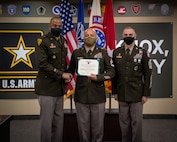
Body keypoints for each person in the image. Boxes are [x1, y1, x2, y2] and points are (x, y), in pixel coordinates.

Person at [68, 28, 115, 142]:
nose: (89, 37)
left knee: (98, 128)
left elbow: (111, 72)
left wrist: (98, 78)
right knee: (82, 128)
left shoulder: (103, 53)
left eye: (91, 35)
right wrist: (68, 76)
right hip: (81, 96)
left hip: (98, 96)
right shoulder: (76, 53)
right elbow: (70, 70)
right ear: (83, 38)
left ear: (96, 38)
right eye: (87, 35)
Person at [35, 17, 72, 142]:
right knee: (46, 122)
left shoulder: (62, 40)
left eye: (59, 26)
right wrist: (61, 75)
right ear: (49, 26)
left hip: (59, 88)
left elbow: (62, 63)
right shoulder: (43, 41)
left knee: (58, 120)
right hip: (46, 88)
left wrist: (65, 81)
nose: (57, 28)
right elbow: (42, 64)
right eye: (55, 25)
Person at [112, 26, 152, 142]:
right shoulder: (116, 52)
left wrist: (146, 94)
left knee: (137, 123)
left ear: (135, 36)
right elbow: (114, 75)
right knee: (124, 124)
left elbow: (148, 74)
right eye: (125, 35)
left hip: (137, 94)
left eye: (130, 35)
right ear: (122, 36)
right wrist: (115, 92)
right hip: (122, 93)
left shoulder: (142, 52)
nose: (128, 37)